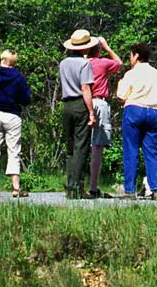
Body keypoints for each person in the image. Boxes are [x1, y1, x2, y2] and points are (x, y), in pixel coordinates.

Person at [0, 49, 32, 198]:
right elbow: (26, 97)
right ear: (14, 62)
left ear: (2, 59)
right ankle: (15, 188)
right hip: (12, 115)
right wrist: (20, 103)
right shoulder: (18, 77)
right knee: (13, 150)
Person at [116, 43, 157, 199]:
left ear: (136, 56)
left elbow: (121, 96)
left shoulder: (131, 74)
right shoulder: (156, 73)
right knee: (151, 151)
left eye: (131, 55)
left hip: (134, 109)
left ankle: (130, 190)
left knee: (131, 150)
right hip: (154, 111)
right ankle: (156, 188)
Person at [59, 29, 98, 199]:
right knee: (81, 147)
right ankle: (77, 187)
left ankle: (69, 185)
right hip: (80, 104)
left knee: (70, 147)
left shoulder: (63, 63)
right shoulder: (84, 64)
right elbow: (85, 88)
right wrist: (91, 112)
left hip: (66, 105)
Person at [87, 35, 122, 198]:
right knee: (97, 147)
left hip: (84, 103)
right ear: (99, 49)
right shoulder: (103, 63)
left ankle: (79, 183)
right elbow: (119, 63)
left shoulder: (83, 64)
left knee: (81, 146)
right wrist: (108, 47)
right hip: (99, 102)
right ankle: (93, 186)